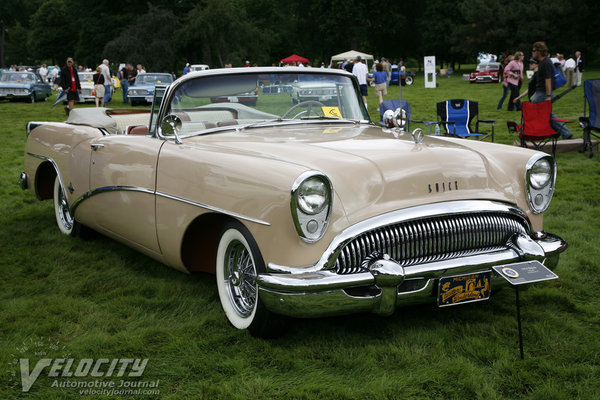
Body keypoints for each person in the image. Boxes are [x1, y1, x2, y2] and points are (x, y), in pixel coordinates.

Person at [530, 41, 572, 139]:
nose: (532, 52)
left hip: (544, 93)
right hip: (541, 92)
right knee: (546, 114)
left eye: (534, 50)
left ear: (539, 51)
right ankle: (559, 132)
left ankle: (561, 132)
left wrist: (548, 96)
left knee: (540, 112)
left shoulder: (546, 62)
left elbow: (548, 79)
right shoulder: (542, 62)